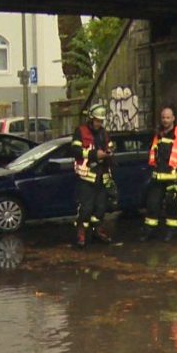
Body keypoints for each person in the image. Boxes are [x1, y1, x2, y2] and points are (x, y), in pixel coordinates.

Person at [142, 107, 177, 241]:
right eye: (163, 118)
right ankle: (149, 231)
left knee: (172, 205)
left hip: (175, 178)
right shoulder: (158, 134)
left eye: (168, 117)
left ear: (173, 118)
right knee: (152, 204)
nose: (165, 120)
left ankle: (171, 232)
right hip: (158, 177)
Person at [71, 104, 114, 248]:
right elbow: (76, 150)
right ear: (91, 118)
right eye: (97, 120)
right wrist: (94, 155)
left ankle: (98, 230)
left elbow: (110, 145)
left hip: (101, 175)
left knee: (101, 207)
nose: (99, 123)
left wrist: (109, 152)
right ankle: (81, 233)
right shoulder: (80, 131)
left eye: (101, 121)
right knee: (86, 208)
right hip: (86, 176)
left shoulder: (104, 133)